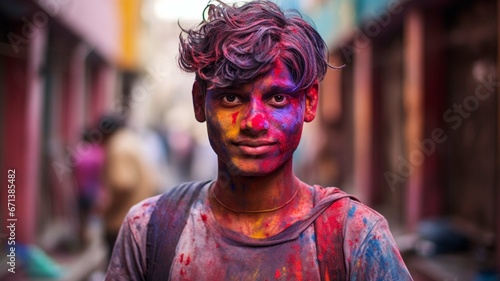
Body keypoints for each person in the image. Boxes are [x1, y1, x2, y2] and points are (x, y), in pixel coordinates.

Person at [105, 1, 413, 280]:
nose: (254, 122)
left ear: (309, 103)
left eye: (277, 98)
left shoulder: (354, 236)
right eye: (231, 97)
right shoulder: (149, 231)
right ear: (200, 103)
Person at [99, 114, 158, 261]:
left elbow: (122, 184)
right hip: (140, 216)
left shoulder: (118, 146)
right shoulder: (130, 140)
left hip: (123, 219)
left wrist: (108, 209)